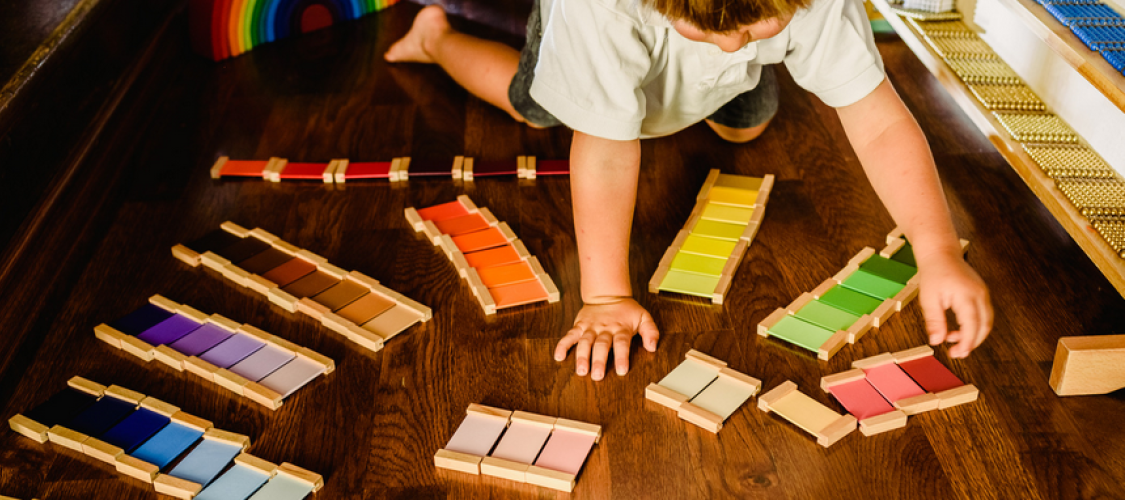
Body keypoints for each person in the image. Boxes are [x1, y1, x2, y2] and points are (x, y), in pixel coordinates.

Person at [385, 0, 993, 381]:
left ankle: (695, 90)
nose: (734, 43)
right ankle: (436, 36)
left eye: (759, 25)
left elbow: (880, 119)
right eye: (711, 29)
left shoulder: (800, 11)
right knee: (533, 109)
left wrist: (936, 249)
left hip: (701, 78)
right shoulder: (596, 9)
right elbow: (602, 152)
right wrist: (603, 298)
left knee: (746, 123)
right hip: (599, 49)